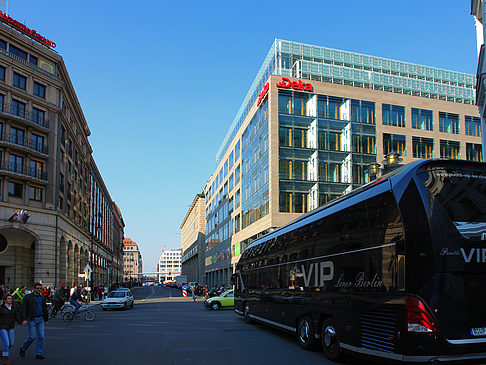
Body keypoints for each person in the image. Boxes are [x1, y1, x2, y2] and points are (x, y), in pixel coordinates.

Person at [20, 282, 48, 360]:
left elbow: (44, 308)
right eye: (38, 288)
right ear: (34, 289)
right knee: (32, 337)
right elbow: (24, 308)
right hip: (32, 319)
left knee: (41, 337)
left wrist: (46, 319)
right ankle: (23, 348)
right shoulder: (28, 297)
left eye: (40, 289)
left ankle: (38, 353)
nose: (39, 290)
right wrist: (24, 319)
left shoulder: (42, 297)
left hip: (41, 319)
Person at [0, 293, 22, 365]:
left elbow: (16, 316)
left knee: (11, 343)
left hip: (11, 327)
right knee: (6, 343)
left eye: (11, 299)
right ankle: (6, 358)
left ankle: (2, 352)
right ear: (5, 300)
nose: (10, 300)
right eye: (9, 299)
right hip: (2, 327)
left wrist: (22, 321)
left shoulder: (13, 307)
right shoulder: (1, 308)